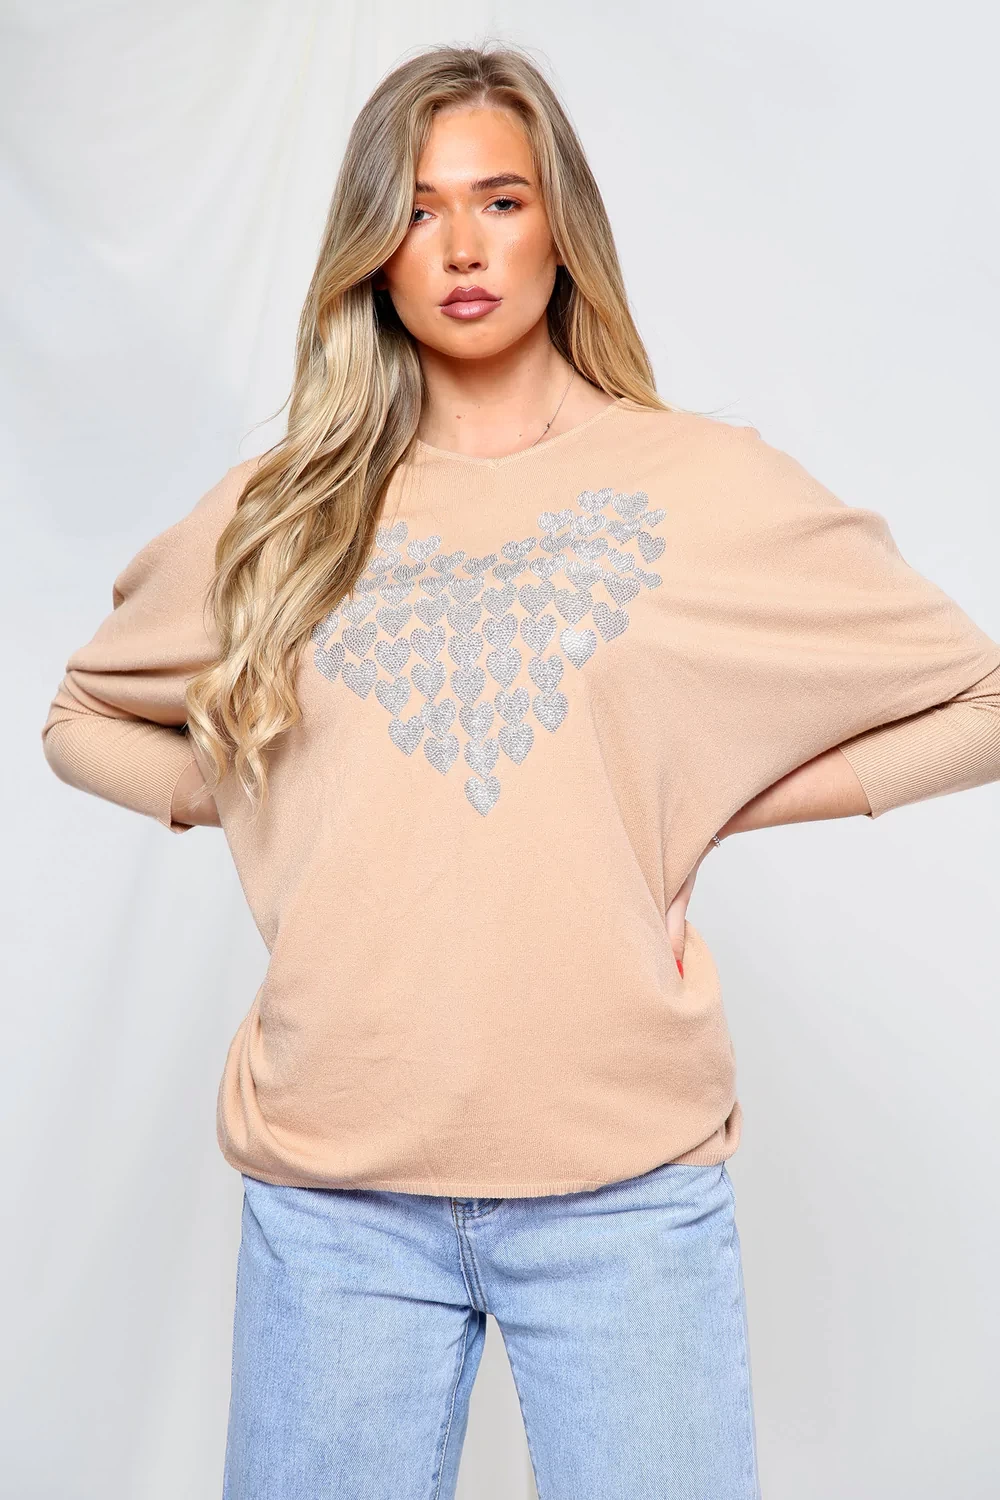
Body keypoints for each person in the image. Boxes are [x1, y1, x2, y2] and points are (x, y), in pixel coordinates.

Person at [39, 40, 1000, 1500]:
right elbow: (82, 716)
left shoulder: (700, 486)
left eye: (500, 200)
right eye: (418, 210)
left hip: (624, 1188)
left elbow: (978, 699)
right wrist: (256, 786)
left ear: (563, 226)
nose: (463, 246)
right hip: (335, 1189)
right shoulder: (288, 512)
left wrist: (711, 806)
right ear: (373, 250)